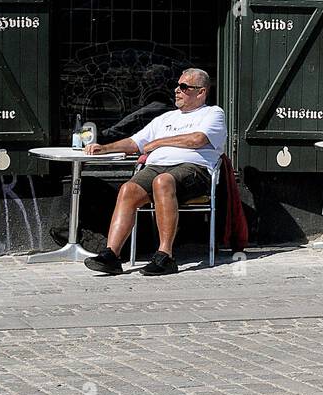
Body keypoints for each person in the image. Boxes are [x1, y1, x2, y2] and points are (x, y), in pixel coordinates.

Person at [82, 68, 227, 276]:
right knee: (128, 189)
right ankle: (111, 255)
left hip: (195, 170)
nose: (177, 90)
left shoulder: (213, 113)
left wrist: (159, 142)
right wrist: (105, 147)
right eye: (177, 85)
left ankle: (165, 255)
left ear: (201, 92)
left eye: (184, 87)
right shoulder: (165, 118)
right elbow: (135, 142)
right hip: (158, 167)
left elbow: (198, 140)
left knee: (162, 181)